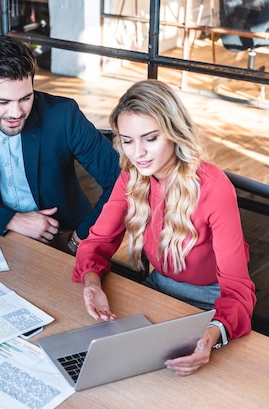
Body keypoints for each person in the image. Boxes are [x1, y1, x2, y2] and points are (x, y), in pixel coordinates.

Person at [73, 80, 256, 376]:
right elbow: (96, 243)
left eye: (150, 138)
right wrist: (92, 284)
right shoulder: (132, 175)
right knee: (103, 358)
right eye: (128, 141)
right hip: (159, 287)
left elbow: (236, 289)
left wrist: (212, 336)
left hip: (212, 300)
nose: (138, 153)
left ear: (174, 133)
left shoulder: (214, 187)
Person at [0, 36, 120, 253]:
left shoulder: (64, 115)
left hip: (65, 237)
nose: (16, 113)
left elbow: (121, 180)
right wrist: (11, 220)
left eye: (25, 98)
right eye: (3, 102)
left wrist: (76, 240)